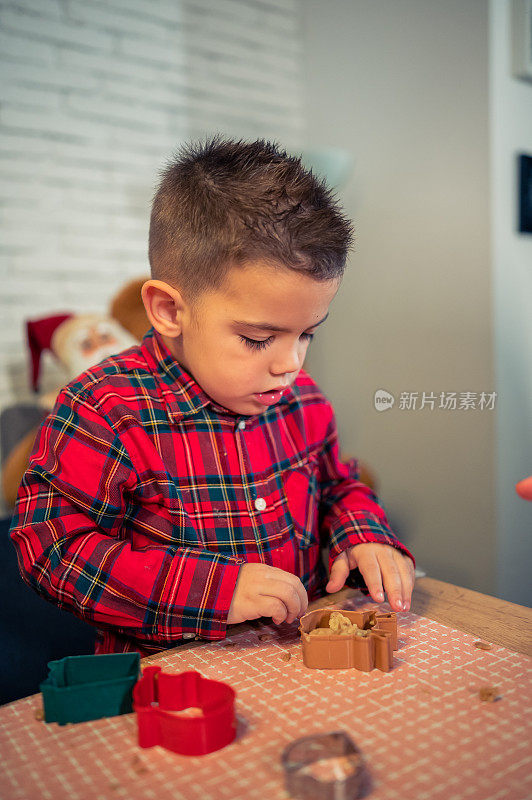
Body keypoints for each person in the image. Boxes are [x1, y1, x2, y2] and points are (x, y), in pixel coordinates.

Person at [9, 136, 415, 656]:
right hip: (172, 688)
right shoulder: (104, 408)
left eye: (307, 334)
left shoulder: (302, 399)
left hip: (301, 670)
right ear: (170, 310)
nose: (290, 364)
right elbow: (53, 551)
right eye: (257, 338)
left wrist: (364, 533)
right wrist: (213, 591)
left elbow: (338, 486)